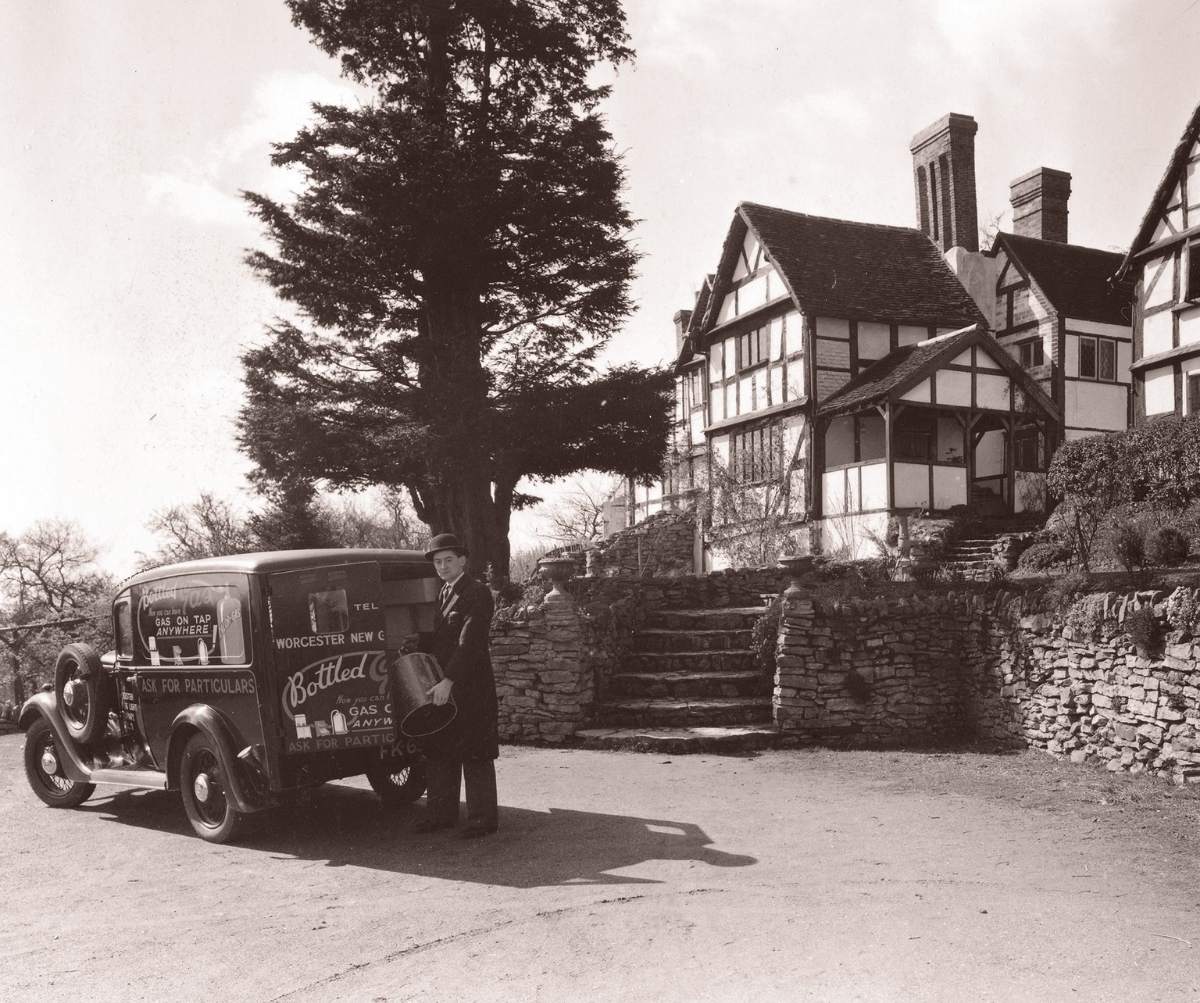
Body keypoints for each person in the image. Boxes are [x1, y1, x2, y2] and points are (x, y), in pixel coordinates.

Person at [414, 532, 499, 838]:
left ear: (463, 560)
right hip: (448, 685)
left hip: (471, 687)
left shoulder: (476, 592)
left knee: (475, 753)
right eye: (438, 561)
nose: (443, 565)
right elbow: (445, 639)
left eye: (449, 559)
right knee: (441, 750)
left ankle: (482, 821)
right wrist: (418, 640)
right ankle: (440, 815)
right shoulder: (445, 593)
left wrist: (448, 680)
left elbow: (469, 643)